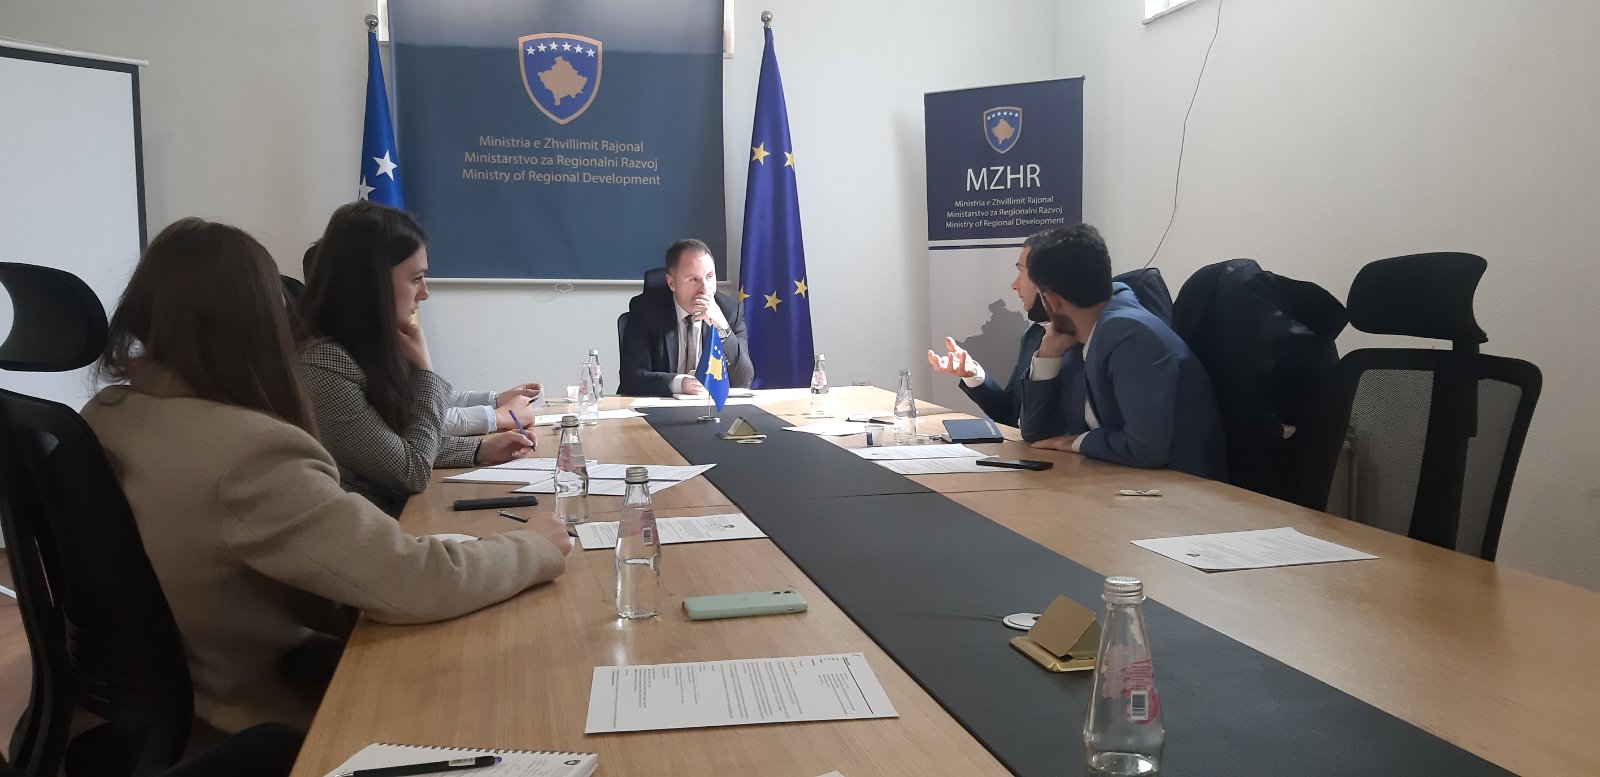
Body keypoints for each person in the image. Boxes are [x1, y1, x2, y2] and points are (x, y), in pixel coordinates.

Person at [82, 217, 572, 736]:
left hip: (151, 708)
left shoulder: (104, 414)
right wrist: (532, 547)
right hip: (258, 714)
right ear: (261, 321)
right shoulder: (252, 452)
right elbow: (412, 581)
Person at [297, 202, 535, 516]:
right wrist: (425, 371)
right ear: (372, 281)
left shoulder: (364, 346)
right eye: (416, 279)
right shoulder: (324, 365)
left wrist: (481, 449)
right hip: (372, 528)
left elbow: (394, 448)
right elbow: (411, 469)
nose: (424, 293)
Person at [1019, 224, 1226, 480]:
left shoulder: (1130, 335)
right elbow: (1036, 434)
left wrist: (1077, 442)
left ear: (1051, 300)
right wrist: (1047, 357)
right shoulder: (1077, 337)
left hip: (1182, 489)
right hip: (1124, 482)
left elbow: (1146, 449)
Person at [300, 236, 540, 437]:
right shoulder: (331, 360)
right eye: (415, 279)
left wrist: (495, 401)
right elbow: (411, 432)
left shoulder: (380, 342)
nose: (424, 293)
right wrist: (496, 417)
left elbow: (439, 400)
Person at [927, 228, 1056, 426]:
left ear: (1045, 279)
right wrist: (973, 375)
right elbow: (1011, 415)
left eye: (1021, 272)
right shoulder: (1033, 335)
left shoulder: (1087, 339)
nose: (1014, 285)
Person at [619, 238, 754, 396]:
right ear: (671, 283)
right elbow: (631, 377)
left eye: (709, 276)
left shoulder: (729, 311)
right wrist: (680, 383)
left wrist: (721, 326)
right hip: (659, 406)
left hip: (710, 406)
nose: (705, 289)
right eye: (694, 280)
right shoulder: (646, 310)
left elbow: (744, 380)